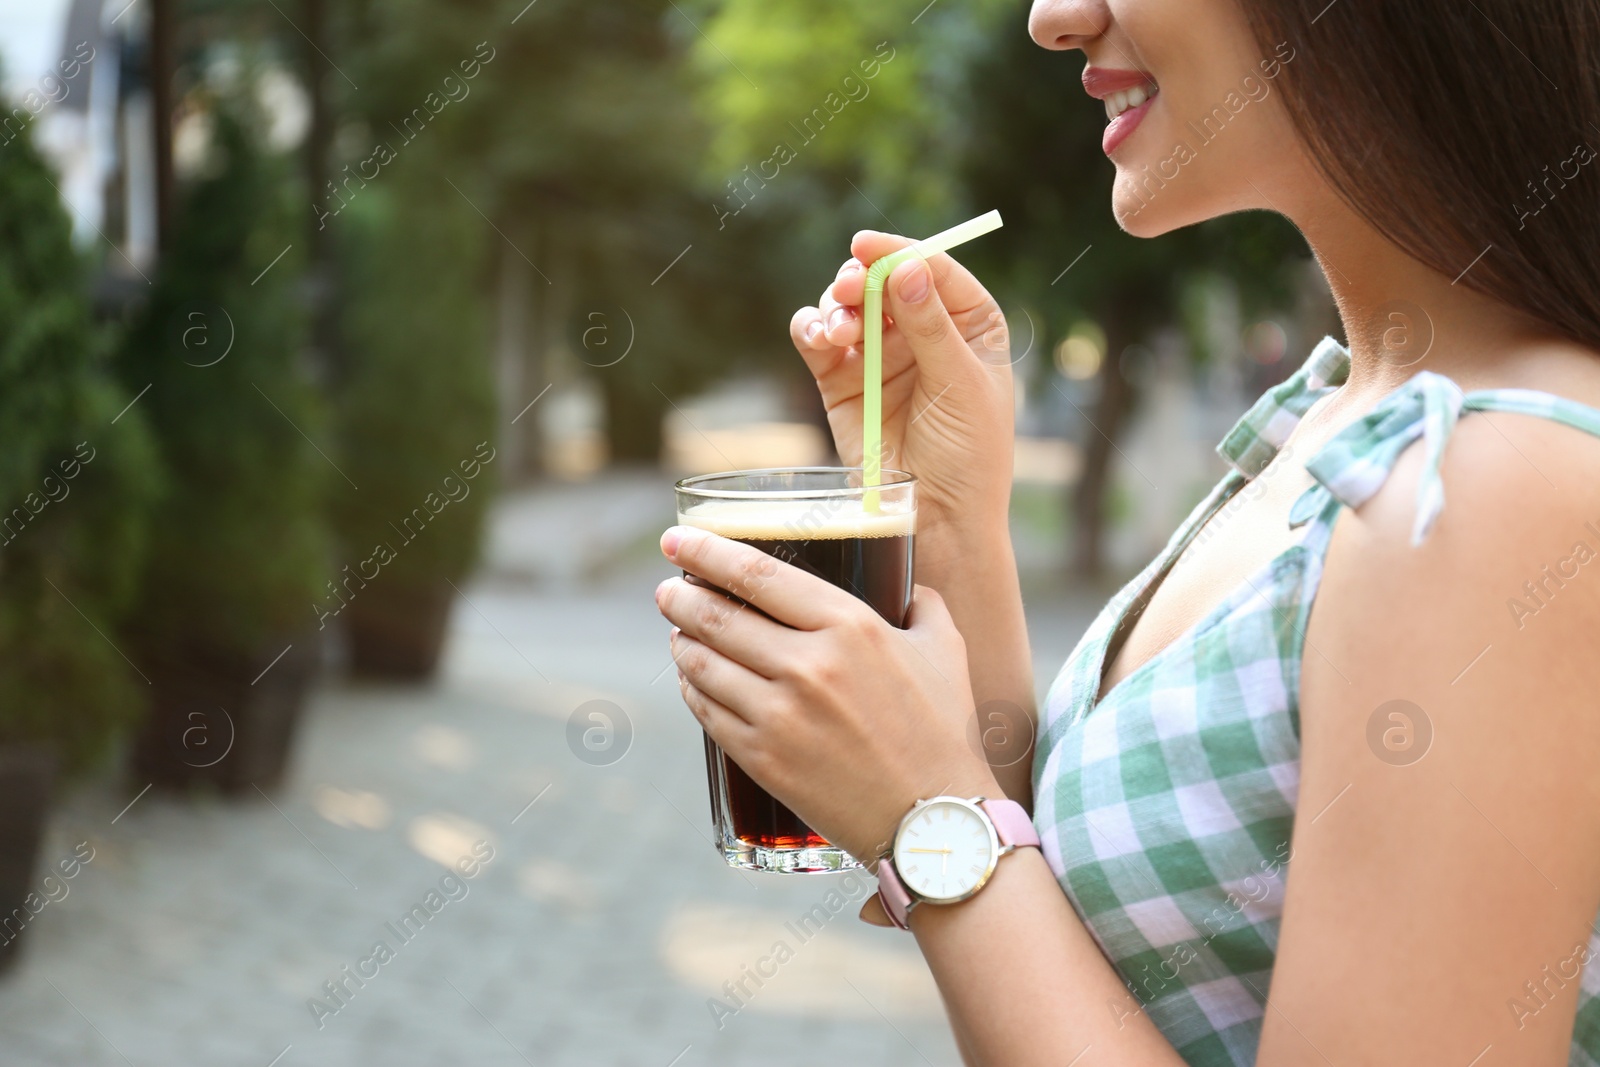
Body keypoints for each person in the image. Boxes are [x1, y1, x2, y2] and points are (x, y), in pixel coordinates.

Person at [654, 0, 1600, 1062]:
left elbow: (981, 853)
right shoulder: (1337, 420)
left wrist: (927, 810)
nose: (1053, 17)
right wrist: (953, 523)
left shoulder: (1484, 481)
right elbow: (1078, 924)